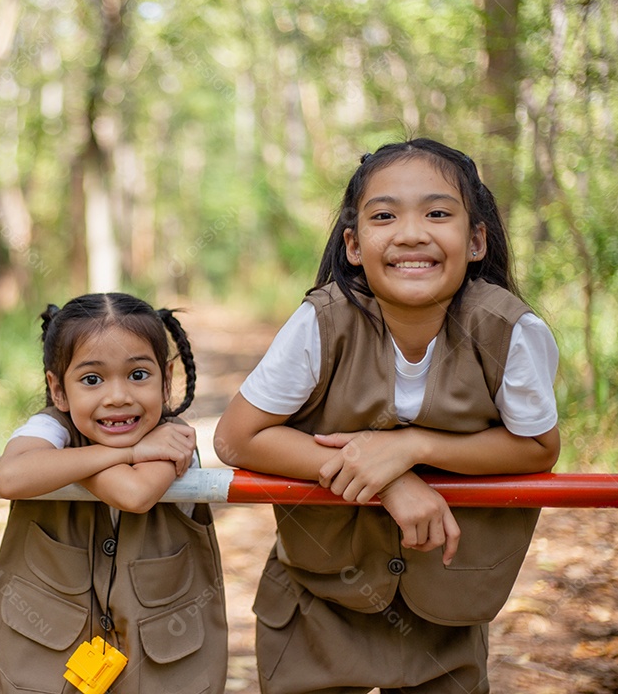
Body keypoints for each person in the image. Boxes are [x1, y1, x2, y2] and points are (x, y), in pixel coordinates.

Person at [214, 138, 561, 694]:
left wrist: (413, 447)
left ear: (476, 240)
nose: (410, 233)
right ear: (354, 244)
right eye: (384, 216)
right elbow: (236, 439)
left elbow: (537, 447)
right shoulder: (320, 323)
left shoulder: (511, 331)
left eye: (438, 213)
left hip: (446, 612)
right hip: (316, 603)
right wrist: (390, 481)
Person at [0, 292, 228, 694]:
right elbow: (12, 478)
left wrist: (63, 461)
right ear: (57, 390)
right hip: (43, 666)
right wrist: (127, 451)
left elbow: (136, 492)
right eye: (92, 379)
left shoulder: (172, 439)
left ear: (167, 380)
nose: (118, 396)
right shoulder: (50, 426)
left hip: (162, 671)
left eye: (138, 375)